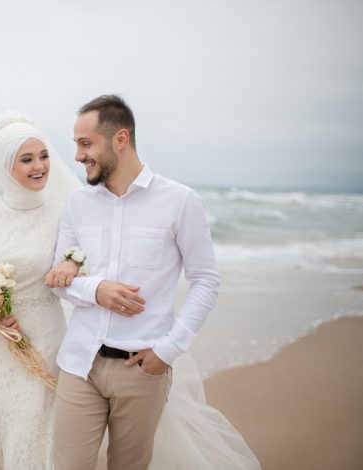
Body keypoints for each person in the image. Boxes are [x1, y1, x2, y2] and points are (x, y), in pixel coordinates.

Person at [45, 94, 260, 470]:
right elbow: (57, 277)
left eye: (85, 143)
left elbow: (206, 281)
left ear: (120, 139)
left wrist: (167, 352)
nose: (77, 156)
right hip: (79, 364)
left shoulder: (180, 202)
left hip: (140, 369)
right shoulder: (78, 203)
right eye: (76, 145)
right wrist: (97, 289)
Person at [0, 111, 81, 469]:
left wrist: (73, 266)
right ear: (7, 165)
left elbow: (79, 261)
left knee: (34, 436)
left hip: (44, 338)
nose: (39, 166)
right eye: (26, 159)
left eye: (44, 156)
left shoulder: (63, 213)